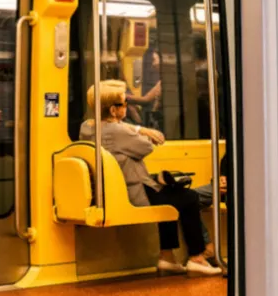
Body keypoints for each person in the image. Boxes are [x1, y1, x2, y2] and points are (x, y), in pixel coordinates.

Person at [79, 81, 221, 277]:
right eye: (125, 103)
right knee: (188, 198)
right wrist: (140, 130)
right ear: (113, 110)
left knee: (172, 196)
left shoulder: (87, 128)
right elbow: (149, 145)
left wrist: (133, 130)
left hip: (118, 190)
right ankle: (197, 257)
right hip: (134, 193)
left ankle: (168, 257)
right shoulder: (119, 132)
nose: (128, 106)